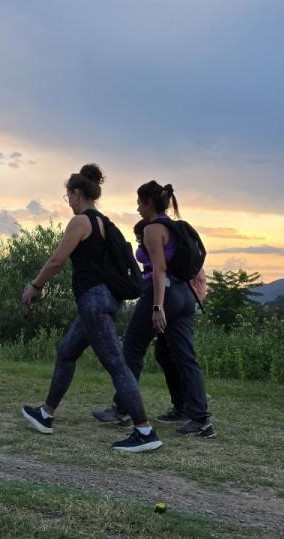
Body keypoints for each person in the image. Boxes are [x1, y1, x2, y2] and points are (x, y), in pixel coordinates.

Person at [19, 164, 163, 452]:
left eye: (68, 195)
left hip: (93, 301)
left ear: (76, 193)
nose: (68, 201)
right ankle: (46, 414)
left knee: (116, 364)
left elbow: (57, 261)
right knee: (67, 351)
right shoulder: (104, 223)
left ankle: (145, 431)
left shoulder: (81, 222)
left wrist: (35, 285)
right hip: (105, 299)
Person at [93, 181, 215, 437]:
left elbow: (159, 269)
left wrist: (157, 306)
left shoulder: (152, 229)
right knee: (186, 357)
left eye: (139, 203)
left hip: (163, 294)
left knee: (132, 349)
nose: (137, 208)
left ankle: (122, 409)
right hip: (185, 294)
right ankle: (201, 419)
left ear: (149, 203)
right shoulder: (176, 227)